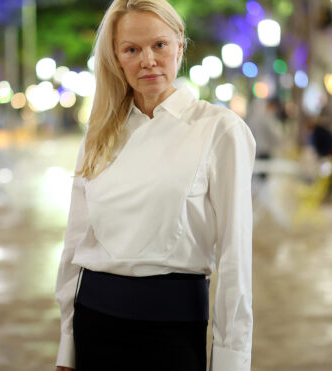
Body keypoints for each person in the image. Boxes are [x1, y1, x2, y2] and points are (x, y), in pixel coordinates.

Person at [55, 1, 255, 370]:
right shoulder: (101, 133)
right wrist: (67, 344)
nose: (147, 60)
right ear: (117, 58)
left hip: (171, 332)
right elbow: (77, 242)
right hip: (94, 325)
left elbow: (234, 258)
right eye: (132, 49)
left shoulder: (219, 130)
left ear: (179, 44)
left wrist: (231, 362)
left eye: (159, 45)